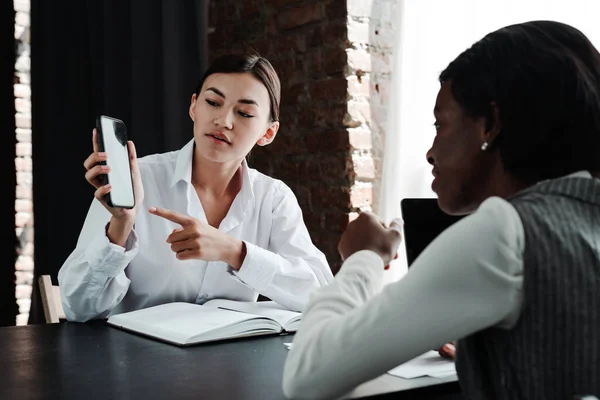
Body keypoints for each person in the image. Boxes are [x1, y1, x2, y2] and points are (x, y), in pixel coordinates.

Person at [283, 20, 600, 400]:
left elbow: (306, 376)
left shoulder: (504, 231)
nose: (431, 152)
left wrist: (363, 257)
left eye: (441, 125)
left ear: (490, 124)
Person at [58, 53, 333, 322]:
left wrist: (234, 251)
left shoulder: (273, 198)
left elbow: (322, 296)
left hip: (229, 364)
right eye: (213, 102)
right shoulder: (136, 179)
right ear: (193, 107)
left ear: (268, 133)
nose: (223, 121)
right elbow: (79, 308)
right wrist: (121, 224)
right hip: (137, 361)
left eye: (244, 113)